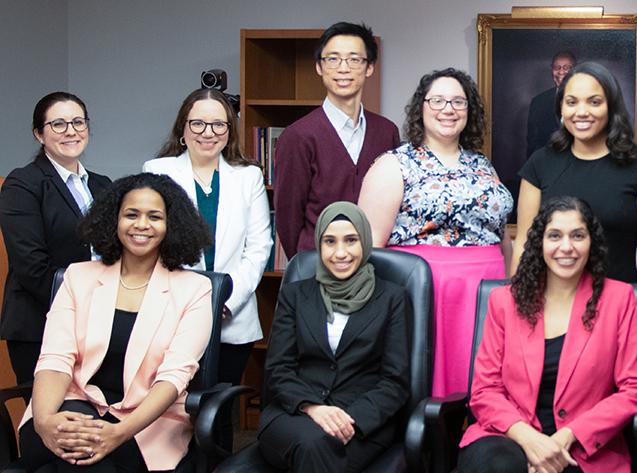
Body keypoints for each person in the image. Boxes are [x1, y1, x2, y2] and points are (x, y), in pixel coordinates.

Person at [10, 173, 213, 472]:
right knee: (77, 451)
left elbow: (174, 377)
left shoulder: (194, 289)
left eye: (154, 216)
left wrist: (119, 432)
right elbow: (55, 358)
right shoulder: (78, 277)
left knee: (77, 464)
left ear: (172, 225)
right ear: (113, 220)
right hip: (73, 404)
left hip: (145, 423)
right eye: (131, 214)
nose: (141, 224)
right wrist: (44, 421)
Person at [457, 196, 637, 473]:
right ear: (540, 242)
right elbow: (484, 390)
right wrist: (529, 440)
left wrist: (566, 436)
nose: (566, 247)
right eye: (554, 236)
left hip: (583, 446)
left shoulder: (619, 300)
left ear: (592, 242)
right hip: (508, 435)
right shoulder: (505, 301)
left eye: (577, 236)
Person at [358, 68, 512, 397]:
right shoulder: (395, 164)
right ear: (421, 107)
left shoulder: (482, 164)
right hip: (428, 293)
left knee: (489, 387)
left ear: (469, 110)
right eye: (437, 100)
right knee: (432, 391)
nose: (448, 109)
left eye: (458, 101)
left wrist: (513, 283)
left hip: (490, 289)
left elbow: (501, 233)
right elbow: (370, 248)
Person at [258, 202, 410, 472]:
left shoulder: (392, 298)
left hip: (362, 421)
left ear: (365, 242)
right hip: (295, 413)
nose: (340, 253)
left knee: (319, 447)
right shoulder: (295, 295)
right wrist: (312, 407)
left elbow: (394, 381)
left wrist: (348, 419)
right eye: (330, 241)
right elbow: (278, 368)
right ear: (319, 244)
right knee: (314, 445)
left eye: (351, 240)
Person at [512, 62, 637, 317]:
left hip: (619, 312)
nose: (581, 112)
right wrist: (517, 311)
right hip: (548, 312)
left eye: (594, 102)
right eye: (572, 102)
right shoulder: (540, 164)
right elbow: (523, 244)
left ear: (611, 107)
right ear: (561, 108)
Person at [144, 88, 272, 389]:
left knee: (219, 405)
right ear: (183, 128)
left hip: (232, 315)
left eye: (218, 124)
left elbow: (258, 247)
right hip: (174, 314)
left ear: (229, 131)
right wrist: (192, 303)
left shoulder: (248, 176)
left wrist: (226, 299)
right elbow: (151, 245)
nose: (208, 132)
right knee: (174, 403)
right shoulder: (157, 172)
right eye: (198, 123)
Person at [0, 92, 112, 384]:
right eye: (59, 124)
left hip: (98, 326)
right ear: (39, 134)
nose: (71, 131)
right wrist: (82, 307)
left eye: (78, 122)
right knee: (49, 412)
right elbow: (30, 265)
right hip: (41, 325)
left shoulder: (102, 185)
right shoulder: (23, 184)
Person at [274, 21, 400, 259]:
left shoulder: (386, 132)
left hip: (375, 265)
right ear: (319, 67)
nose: (343, 68)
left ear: (369, 67)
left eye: (354, 59)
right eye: (332, 59)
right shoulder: (297, 136)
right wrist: (306, 263)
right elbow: (288, 217)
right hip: (317, 265)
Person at [526, 51, 577, 160]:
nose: (561, 72)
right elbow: (532, 144)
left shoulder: (587, 100)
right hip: (547, 164)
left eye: (567, 67)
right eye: (557, 67)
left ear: (575, 70)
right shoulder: (538, 102)